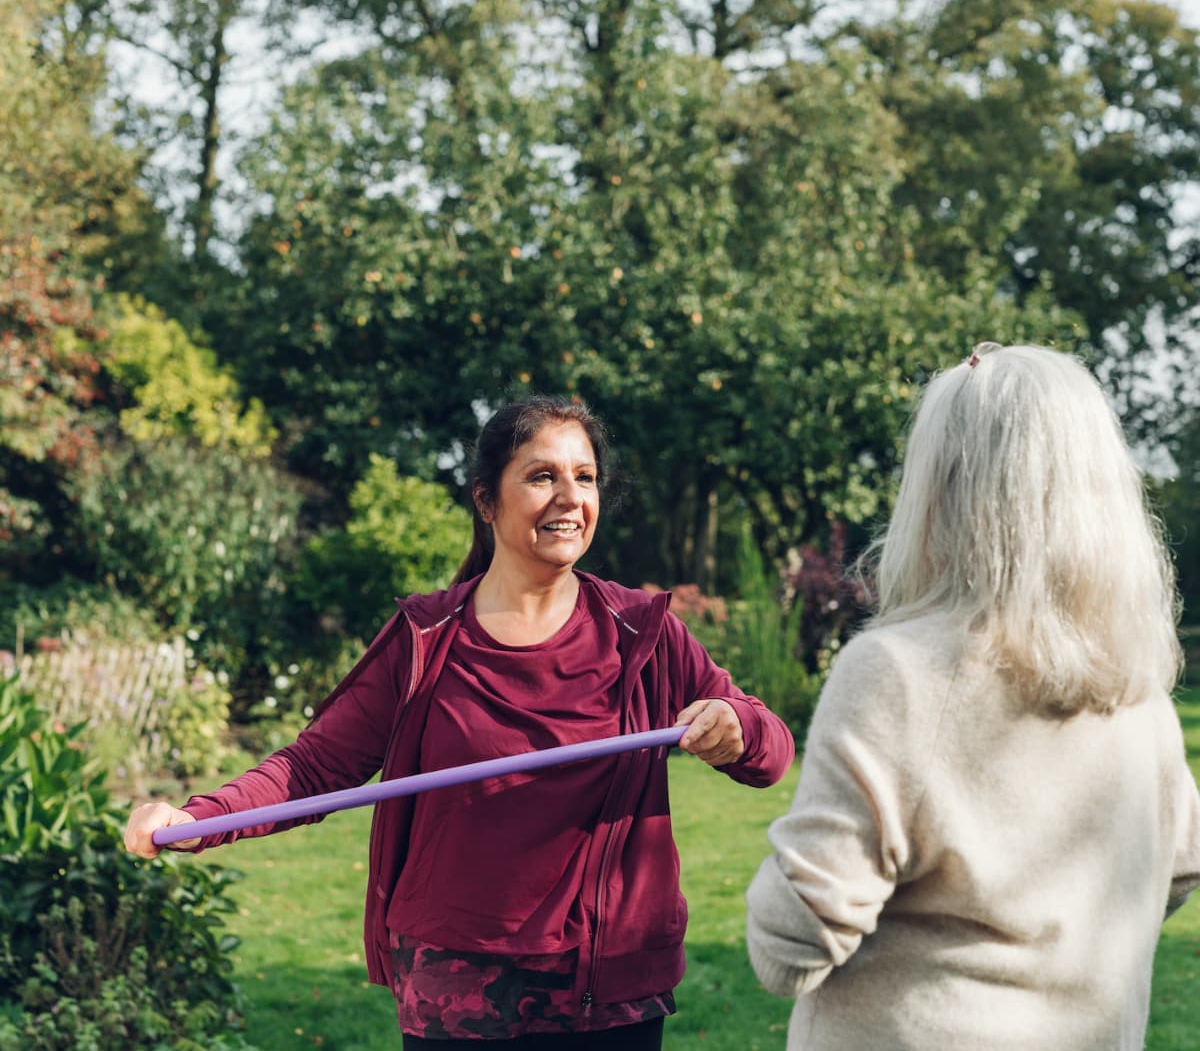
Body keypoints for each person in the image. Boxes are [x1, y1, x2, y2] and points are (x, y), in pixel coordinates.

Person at [126, 394, 794, 1050]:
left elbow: (770, 752)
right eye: (542, 476)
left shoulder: (641, 631)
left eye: (584, 477)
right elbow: (315, 766)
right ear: (485, 501)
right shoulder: (427, 637)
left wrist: (736, 725)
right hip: (458, 989)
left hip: (607, 987)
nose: (569, 497)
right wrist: (199, 819)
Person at [745, 342, 1200, 1051]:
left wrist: (776, 883)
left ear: (941, 486)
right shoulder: (1139, 691)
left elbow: (791, 946)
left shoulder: (894, 672)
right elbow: (1176, 873)